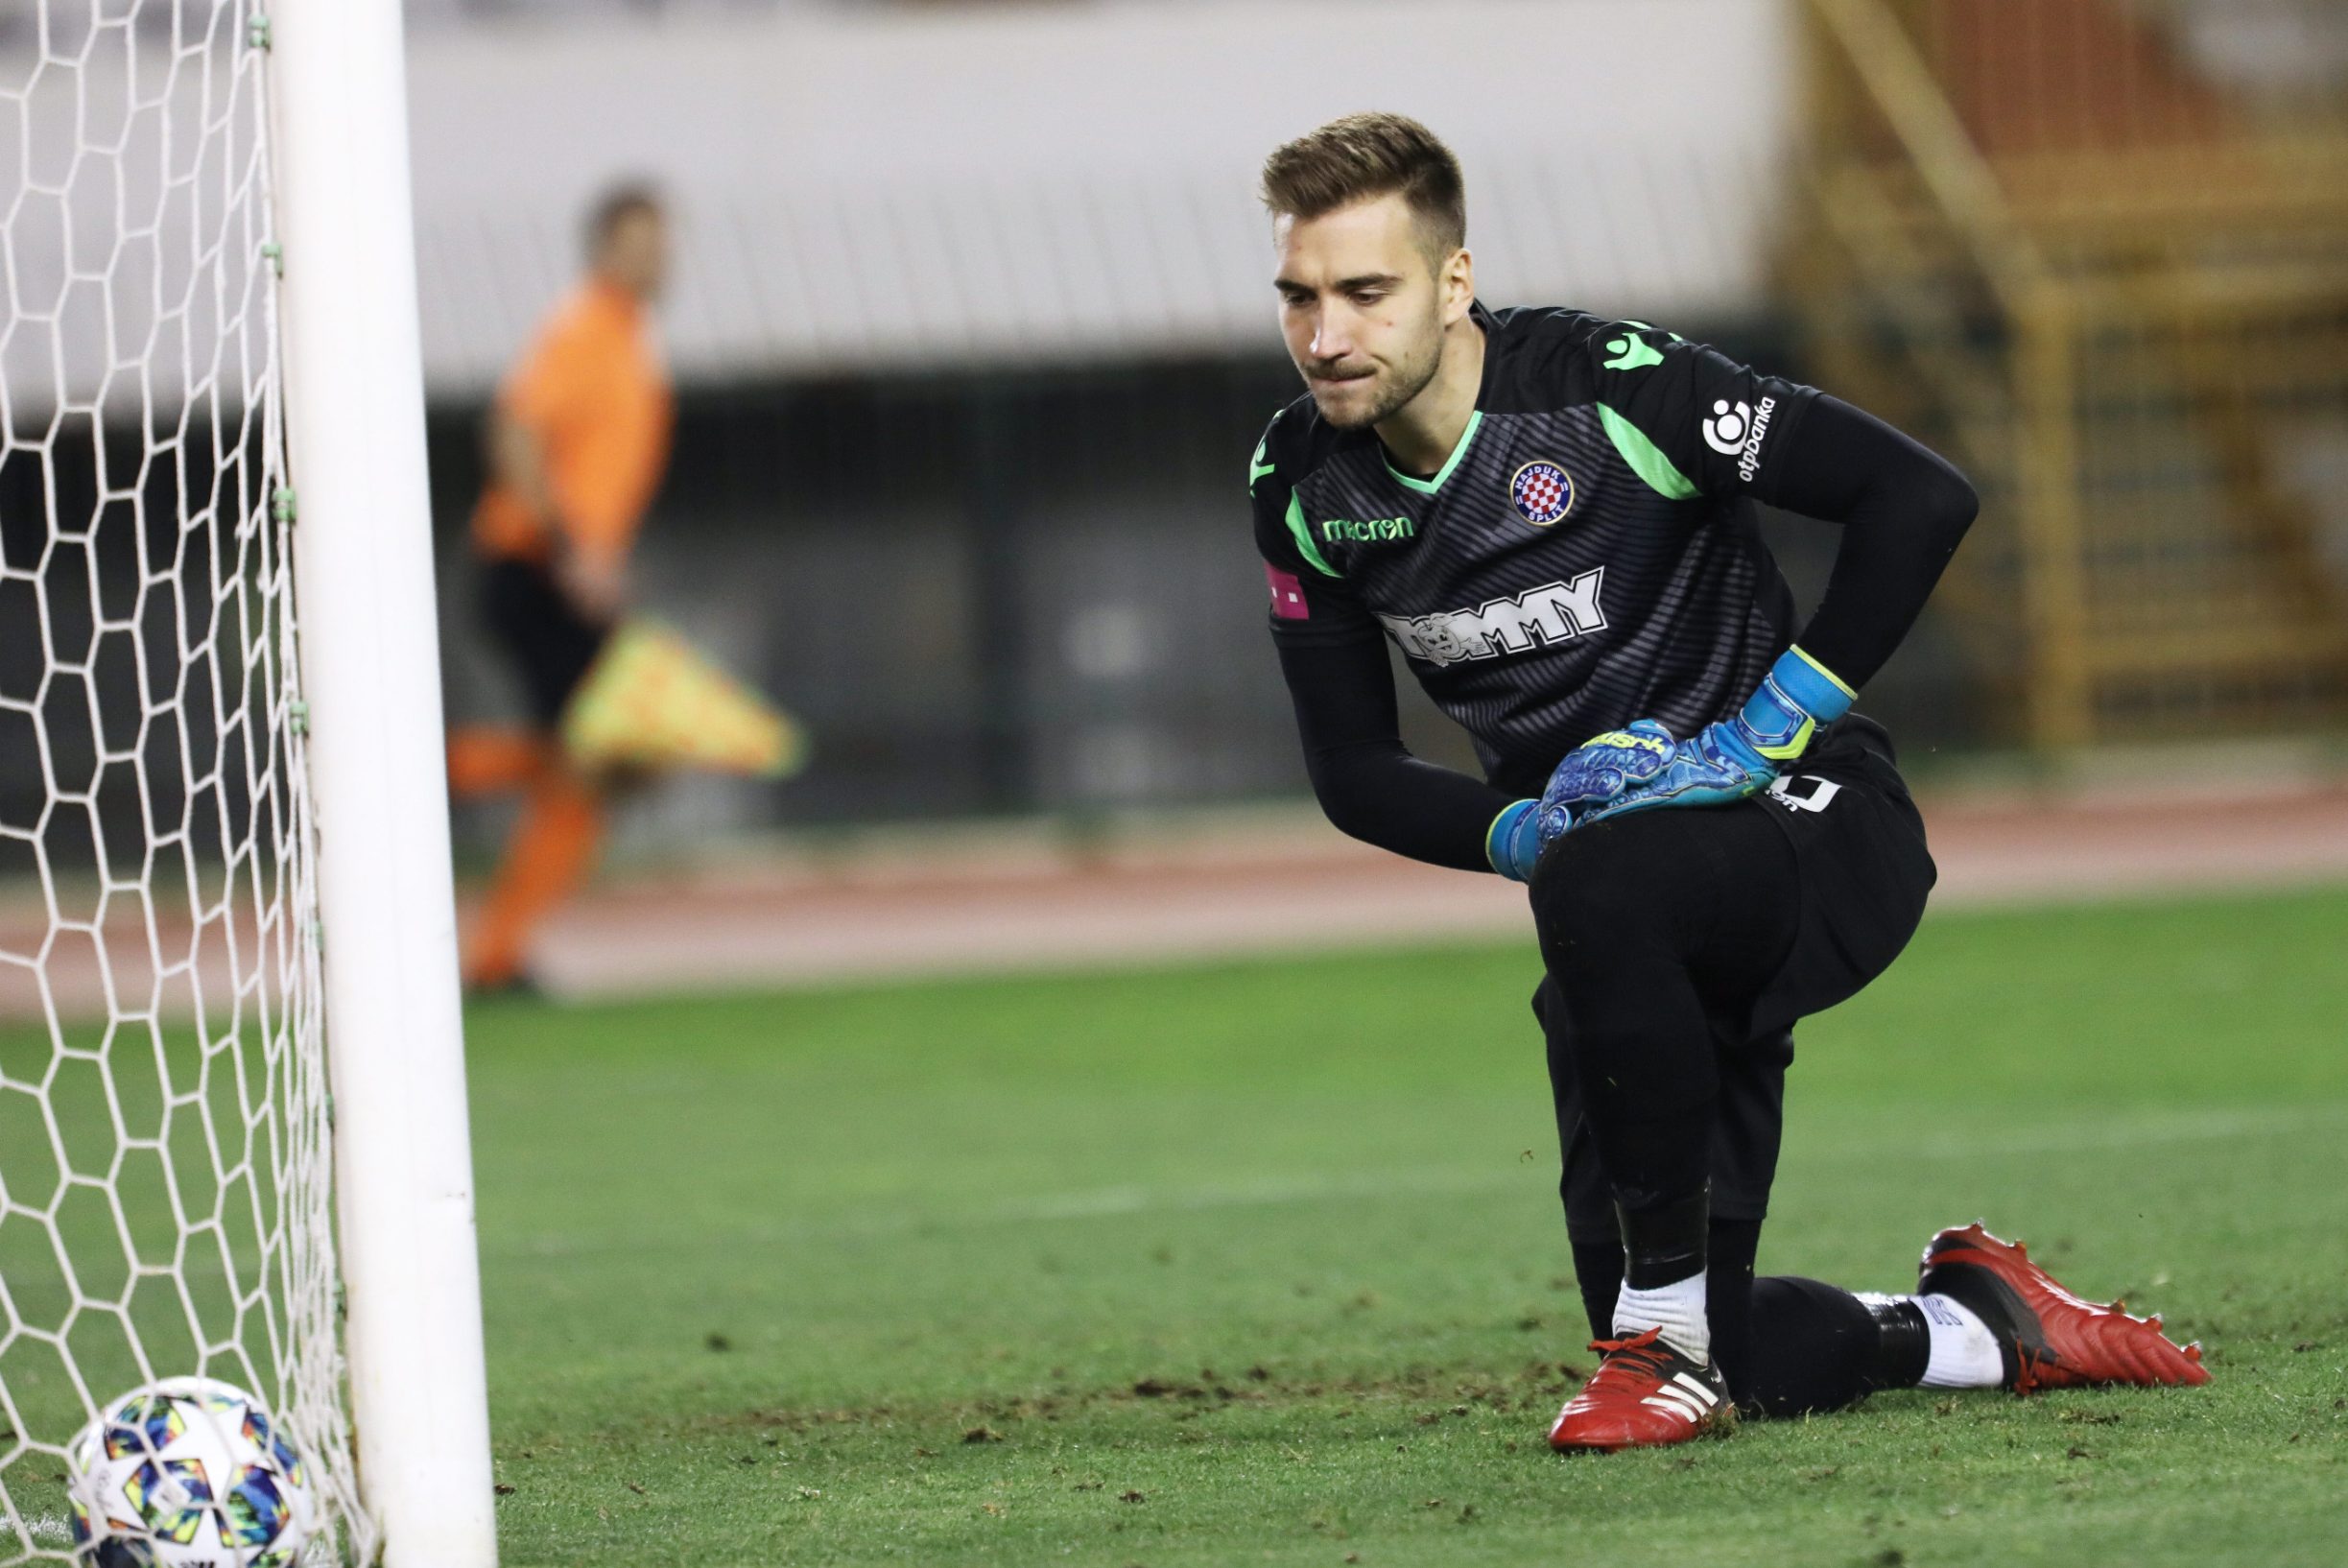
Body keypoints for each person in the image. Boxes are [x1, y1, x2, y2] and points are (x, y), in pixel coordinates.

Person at [1245, 113, 2206, 1452]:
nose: (1325, 334)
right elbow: (1351, 772)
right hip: (1610, 925)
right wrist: (1527, 827)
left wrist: (1755, 735)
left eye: (1364, 291)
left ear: (1452, 283)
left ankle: (1660, 1345)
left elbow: (1914, 497)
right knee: (1723, 1331)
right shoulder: (1298, 480)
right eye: (1296, 295)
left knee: (1655, 1297)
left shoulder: (1610, 386)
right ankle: (1975, 1322)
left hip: (1810, 825)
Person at [448, 183, 674, 993]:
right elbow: (512, 430)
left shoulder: (629, 339)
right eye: (640, 241)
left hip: (567, 575)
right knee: (616, 753)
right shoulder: (583, 329)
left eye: (662, 240)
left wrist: (601, 556)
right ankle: (495, 953)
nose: (658, 257)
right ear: (604, 250)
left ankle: (499, 951)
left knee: (610, 759)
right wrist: (569, 546)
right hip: (532, 567)